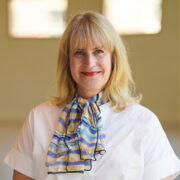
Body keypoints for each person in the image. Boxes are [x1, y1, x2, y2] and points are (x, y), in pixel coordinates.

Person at [4, 11, 180, 180]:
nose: (90, 62)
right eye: (79, 52)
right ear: (67, 60)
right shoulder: (38, 119)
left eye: (98, 51)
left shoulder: (144, 122)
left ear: (114, 59)